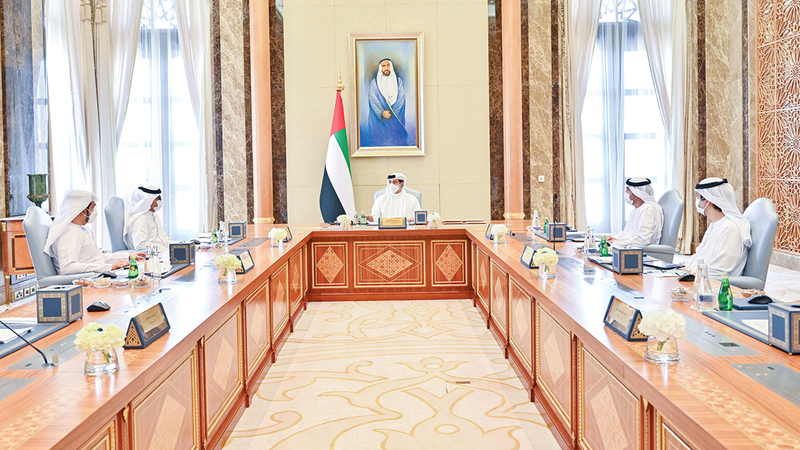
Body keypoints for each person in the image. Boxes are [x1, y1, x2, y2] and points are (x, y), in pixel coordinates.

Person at [44, 190, 144, 275]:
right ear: (83, 210)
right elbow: (68, 268)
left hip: (97, 275)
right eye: (92, 208)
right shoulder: (70, 233)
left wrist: (128, 256)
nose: (94, 212)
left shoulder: (80, 229)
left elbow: (99, 259)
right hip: (88, 280)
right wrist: (108, 267)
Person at [683, 177, 751, 277]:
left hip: (711, 282)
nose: (697, 201)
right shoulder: (715, 224)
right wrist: (683, 268)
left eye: (698, 196)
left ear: (708, 200)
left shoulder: (729, 229)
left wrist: (691, 274)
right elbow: (700, 256)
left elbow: (718, 271)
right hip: (697, 276)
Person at [607, 177, 664, 247]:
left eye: (628, 189)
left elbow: (643, 240)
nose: (626, 192)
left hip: (642, 250)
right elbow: (629, 232)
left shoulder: (648, 209)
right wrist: (616, 238)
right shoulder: (635, 209)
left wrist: (616, 242)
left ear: (636, 193)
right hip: (631, 247)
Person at [366, 59, 409, 147]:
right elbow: (373, 100)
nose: (386, 68)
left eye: (388, 65)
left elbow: (401, 99)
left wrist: (393, 114)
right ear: (380, 68)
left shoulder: (398, 81)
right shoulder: (374, 82)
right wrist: (381, 112)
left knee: (396, 140)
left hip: (395, 118)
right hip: (380, 120)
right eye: (383, 66)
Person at [124, 186, 171, 252]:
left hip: (163, 252)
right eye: (157, 199)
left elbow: (164, 238)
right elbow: (140, 245)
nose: (160, 201)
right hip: (153, 254)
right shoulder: (140, 219)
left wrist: (174, 247)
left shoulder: (154, 216)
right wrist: (164, 250)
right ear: (148, 201)